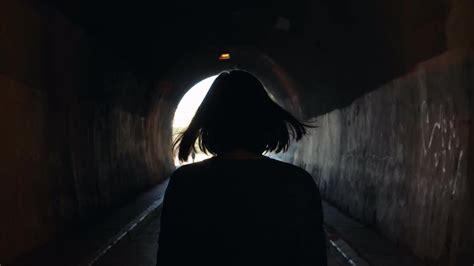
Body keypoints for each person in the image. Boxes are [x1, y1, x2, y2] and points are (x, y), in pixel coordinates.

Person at [156, 70, 327, 266]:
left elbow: (169, 257)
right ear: (265, 120)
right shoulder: (298, 182)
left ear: (209, 123)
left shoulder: (185, 182)